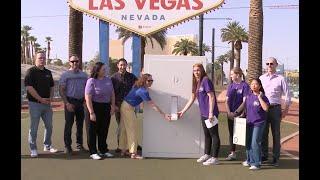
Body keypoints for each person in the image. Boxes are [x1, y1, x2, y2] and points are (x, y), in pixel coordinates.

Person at [119, 73, 170, 159]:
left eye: (152, 80)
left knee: (124, 128)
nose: (151, 82)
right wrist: (164, 114)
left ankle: (123, 150)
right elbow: (152, 105)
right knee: (132, 130)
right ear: (144, 81)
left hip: (125, 106)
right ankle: (133, 153)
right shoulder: (143, 91)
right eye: (149, 80)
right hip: (128, 108)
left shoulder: (139, 86)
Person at [178, 63, 220, 166]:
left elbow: (212, 97)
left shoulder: (206, 80)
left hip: (211, 113)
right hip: (203, 113)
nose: (196, 72)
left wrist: (210, 113)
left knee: (214, 135)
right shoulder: (196, 82)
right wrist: (183, 111)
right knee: (207, 135)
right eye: (194, 70)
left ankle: (215, 158)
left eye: (198, 70)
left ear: (202, 70)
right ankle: (207, 154)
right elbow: (192, 98)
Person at [24, 52, 58, 157]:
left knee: (49, 126)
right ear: (35, 59)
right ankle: (33, 148)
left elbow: (52, 86)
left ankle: (47, 145)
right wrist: (40, 99)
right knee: (34, 127)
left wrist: (51, 98)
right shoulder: (31, 72)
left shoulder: (48, 72)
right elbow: (29, 88)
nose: (42, 60)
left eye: (44, 58)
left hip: (47, 105)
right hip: (35, 104)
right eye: (40, 58)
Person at [260, 57, 291, 167]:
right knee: (263, 133)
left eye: (271, 63)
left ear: (276, 65)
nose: (269, 65)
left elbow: (287, 95)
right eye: (267, 63)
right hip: (263, 109)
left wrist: (285, 110)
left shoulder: (281, 78)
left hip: (275, 109)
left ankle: (275, 158)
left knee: (276, 134)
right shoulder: (261, 78)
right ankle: (264, 155)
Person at [85, 62, 115, 160]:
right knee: (92, 130)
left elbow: (112, 94)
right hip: (94, 106)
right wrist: (91, 112)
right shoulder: (91, 81)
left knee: (104, 129)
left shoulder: (108, 80)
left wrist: (113, 106)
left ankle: (103, 150)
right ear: (97, 71)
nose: (105, 71)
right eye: (103, 69)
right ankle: (93, 152)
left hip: (106, 107)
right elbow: (88, 97)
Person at [59, 55, 88, 155]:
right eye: (72, 61)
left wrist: (85, 101)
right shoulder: (65, 75)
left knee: (80, 125)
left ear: (79, 62)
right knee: (68, 125)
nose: (74, 63)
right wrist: (67, 103)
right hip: (70, 102)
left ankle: (79, 145)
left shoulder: (84, 75)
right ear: (69, 63)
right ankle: (67, 146)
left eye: (76, 61)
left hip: (81, 102)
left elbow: (87, 89)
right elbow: (62, 90)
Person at [241, 78, 269, 170]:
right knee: (248, 143)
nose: (253, 85)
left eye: (256, 84)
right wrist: (240, 115)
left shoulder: (263, 97)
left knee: (255, 142)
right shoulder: (248, 96)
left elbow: (266, 109)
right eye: (252, 84)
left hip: (259, 123)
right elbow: (246, 108)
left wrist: (260, 97)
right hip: (249, 123)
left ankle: (257, 163)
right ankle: (249, 160)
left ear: (260, 86)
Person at [111, 58, 138, 153]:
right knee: (121, 126)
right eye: (121, 65)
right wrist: (114, 105)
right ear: (117, 66)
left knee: (131, 125)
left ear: (127, 65)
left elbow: (137, 88)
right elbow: (111, 92)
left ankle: (133, 145)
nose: (122, 66)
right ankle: (120, 146)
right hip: (118, 105)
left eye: (124, 65)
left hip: (130, 105)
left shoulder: (132, 77)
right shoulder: (113, 78)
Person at [225, 67, 250, 161]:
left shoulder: (245, 86)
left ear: (238, 74)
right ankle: (232, 153)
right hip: (230, 114)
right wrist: (229, 113)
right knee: (232, 133)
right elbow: (226, 101)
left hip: (240, 115)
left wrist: (236, 113)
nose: (231, 76)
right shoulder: (231, 86)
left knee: (241, 135)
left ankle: (248, 156)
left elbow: (245, 102)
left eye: (232, 74)